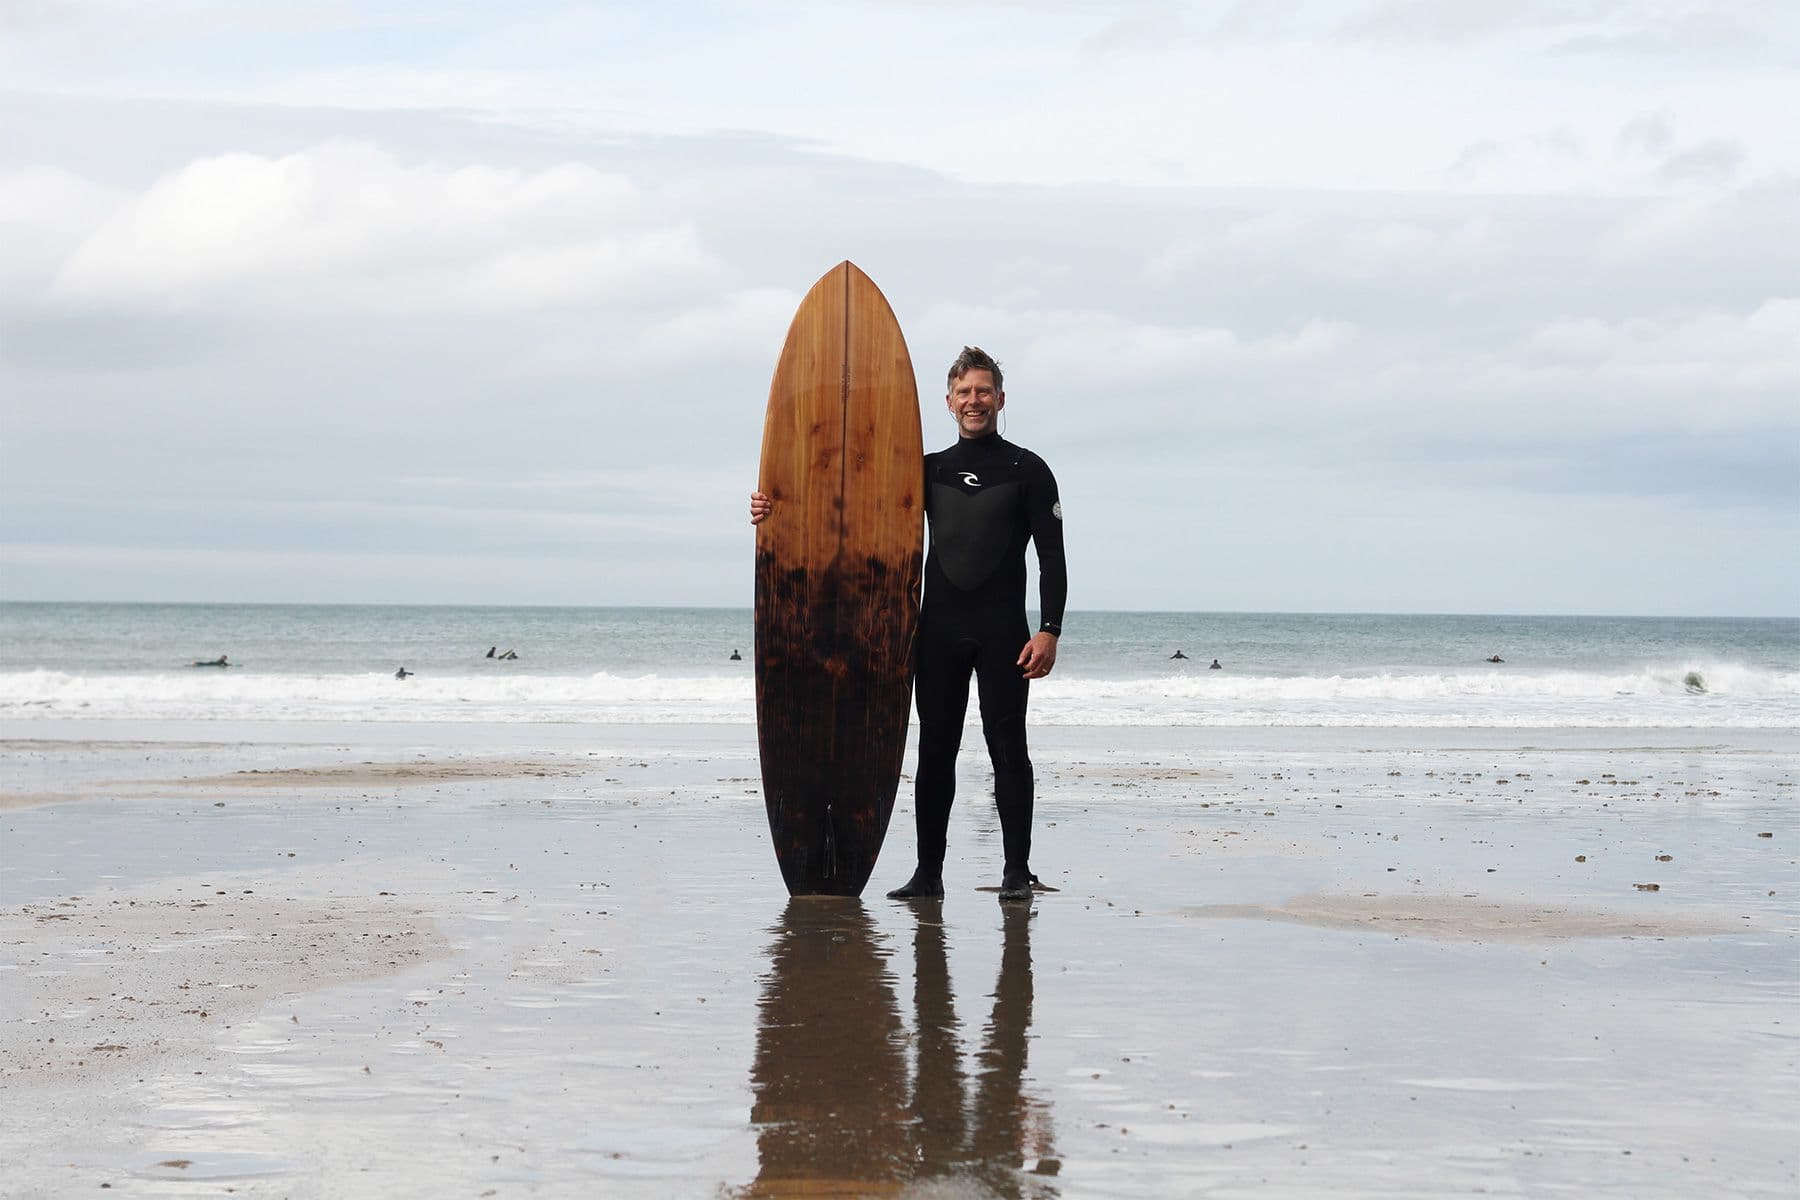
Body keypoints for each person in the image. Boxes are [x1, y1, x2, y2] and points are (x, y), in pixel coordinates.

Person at [751, 346, 1066, 902]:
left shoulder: (1028, 469)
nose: (975, 400)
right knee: (934, 752)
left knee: (1007, 748)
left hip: (1003, 633)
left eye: (984, 390)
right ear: (948, 402)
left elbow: (1052, 557)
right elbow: (856, 508)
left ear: (1000, 398)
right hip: (939, 631)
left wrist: (1050, 630)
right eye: (964, 392)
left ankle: (1016, 871)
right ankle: (929, 875)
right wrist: (776, 506)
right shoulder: (927, 470)